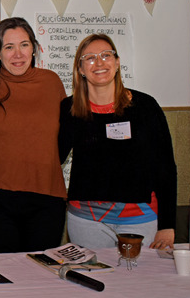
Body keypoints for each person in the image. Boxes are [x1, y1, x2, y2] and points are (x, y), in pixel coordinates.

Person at [58, 33, 176, 250]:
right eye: (90, 58)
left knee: (139, 274)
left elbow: (165, 168)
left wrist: (167, 224)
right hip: (86, 219)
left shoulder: (146, 107)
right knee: (91, 272)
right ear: (80, 69)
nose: (99, 63)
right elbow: (53, 158)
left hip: (139, 218)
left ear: (118, 62)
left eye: (106, 55)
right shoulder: (69, 109)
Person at [0, 17, 67, 254]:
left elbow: (65, 135)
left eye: (24, 45)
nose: (18, 54)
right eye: (9, 47)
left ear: (34, 48)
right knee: (1, 271)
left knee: (41, 272)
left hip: (45, 197)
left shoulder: (51, 83)